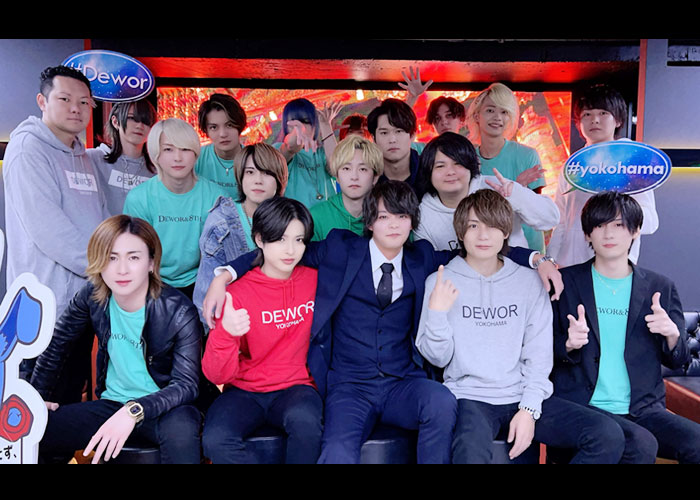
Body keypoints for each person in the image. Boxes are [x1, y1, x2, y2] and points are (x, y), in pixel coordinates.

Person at [203, 181, 559, 464]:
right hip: (350, 386)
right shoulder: (341, 248)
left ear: (412, 222)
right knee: (337, 452)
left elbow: (480, 246)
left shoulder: (422, 258)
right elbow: (280, 250)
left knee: (440, 402)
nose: (393, 225)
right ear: (370, 221)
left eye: (402, 217)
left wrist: (536, 259)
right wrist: (226, 273)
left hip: (402, 382)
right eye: (385, 216)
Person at [416, 189, 625, 464]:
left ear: (505, 232)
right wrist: (438, 314)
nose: (483, 236)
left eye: (492, 226)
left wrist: (528, 409)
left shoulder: (528, 282)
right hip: (469, 398)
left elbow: (538, 356)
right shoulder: (440, 281)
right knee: (469, 454)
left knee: (606, 434)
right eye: (474, 226)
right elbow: (437, 358)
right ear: (461, 232)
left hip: (522, 393)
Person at [31, 215, 203, 464]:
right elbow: (58, 345)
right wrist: (35, 399)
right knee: (33, 428)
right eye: (111, 258)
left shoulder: (179, 311)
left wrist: (133, 411)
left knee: (182, 433)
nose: (122, 269)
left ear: (151, 263)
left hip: (165, 409)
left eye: (133, 257)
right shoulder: (92, 296)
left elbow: (186, 385)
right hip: (112, 405)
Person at [551, 191, 700, 464]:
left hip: (643, 409)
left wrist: (672, 335)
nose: (609, 234)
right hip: (584, 406)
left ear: (636, 231)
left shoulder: (660, 287)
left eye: (619, 225)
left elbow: (678, 360)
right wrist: (567, 344)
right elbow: (541, 352)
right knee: (640, 445)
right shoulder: (564, 283)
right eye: (599, 225)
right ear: (587, 234)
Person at [3, 66, 110, 404]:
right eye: (65, 99)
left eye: (84, 102)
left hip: (81, 302)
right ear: (42, 101)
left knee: (69, 400)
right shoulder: (27, 149)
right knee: (37, 407)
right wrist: (105, 268)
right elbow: (49, 229)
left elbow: (99, 219)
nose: (76, 108)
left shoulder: (82, 154)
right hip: (44, 309)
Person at [201, 197, 322, 464]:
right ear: (259, 239)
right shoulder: (235, 293)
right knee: (215, 440)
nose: (290, 250)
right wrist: (226, 333)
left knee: (307, 425)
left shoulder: (316, 281)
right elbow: (216, 374)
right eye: (280, 239)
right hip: (244, 390)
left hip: (296, 387)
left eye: (299, 240)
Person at [547, 84, 659, 267]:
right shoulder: (571, 166)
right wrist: (551, 260)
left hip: (613, 269)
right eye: (587, 114)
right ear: (578, 123)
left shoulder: (632, 161)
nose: (595, 120)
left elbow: (650, 222)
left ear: (618, 120)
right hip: (571, 267)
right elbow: (561, 221)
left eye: (603, 113)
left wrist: (616, 210)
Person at [123, 118, 227, 299]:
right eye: (168, 149)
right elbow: (134, 253)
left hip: (202, 281)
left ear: (195, 153)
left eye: (185, 149)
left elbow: (221, 253)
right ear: (156, 154)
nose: (178, 157)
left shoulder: (216, 196)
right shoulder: (139, 198)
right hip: (152, 282)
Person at [414, 132, 560, 258]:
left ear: (471, 166)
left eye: (458, 163)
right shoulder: (424, 215)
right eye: (440, 166)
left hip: (517, 274)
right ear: (428, 172)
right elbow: (430, 263)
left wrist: (517, 195)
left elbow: (551, 219)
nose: (450, 172)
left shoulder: (496, 186)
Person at [193, 142, 289, 324]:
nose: (258, 180)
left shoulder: (289, 220)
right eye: (250, 172)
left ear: (279, 179)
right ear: (241, 177)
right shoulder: (221, 221)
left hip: (277, 318)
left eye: (267, 173)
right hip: (233, 319)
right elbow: (206, 293)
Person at [466, 82, 548, 252]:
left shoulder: (527, 155)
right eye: (490, 110)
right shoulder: (467, 158)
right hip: (484, 247)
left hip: (526, 248)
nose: (497, 117)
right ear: (477, 116)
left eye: (504, 112)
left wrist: (519, 190)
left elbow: (538, 212)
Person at [88, 99, 158, 216]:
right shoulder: (93, 159)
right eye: (132, 118)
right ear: (115, 121)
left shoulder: (157, 169)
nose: (140, 126)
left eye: (146, 121)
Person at [309, 135, 383, 241]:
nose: (354, 177)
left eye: (362, 169)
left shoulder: (386, 215)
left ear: (375, 178)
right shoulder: (316, 217)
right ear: (337, 176)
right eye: (346, 168)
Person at [276, 98, 340, 208]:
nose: (301, 128)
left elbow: (337, 168)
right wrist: (296, 138)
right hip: (295, 217)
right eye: (294, 123)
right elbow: (289, 147)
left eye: (306, 122)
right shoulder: (278, 149)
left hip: (327, 218)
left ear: (315, 125)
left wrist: (325, 125)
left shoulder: (323, 153)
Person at [367, 98, 424, 198]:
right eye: (384, 133)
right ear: (374, 138)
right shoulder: (367, 177)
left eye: (399, 131)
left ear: (412, 135)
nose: (392, 140)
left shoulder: (429, 173)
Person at [195, 93, 248, 199]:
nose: (223, 134)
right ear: (206, 131)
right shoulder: (196, 158)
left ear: (239, 125)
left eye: (229, 125)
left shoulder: (253, 160)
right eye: (214, 127)